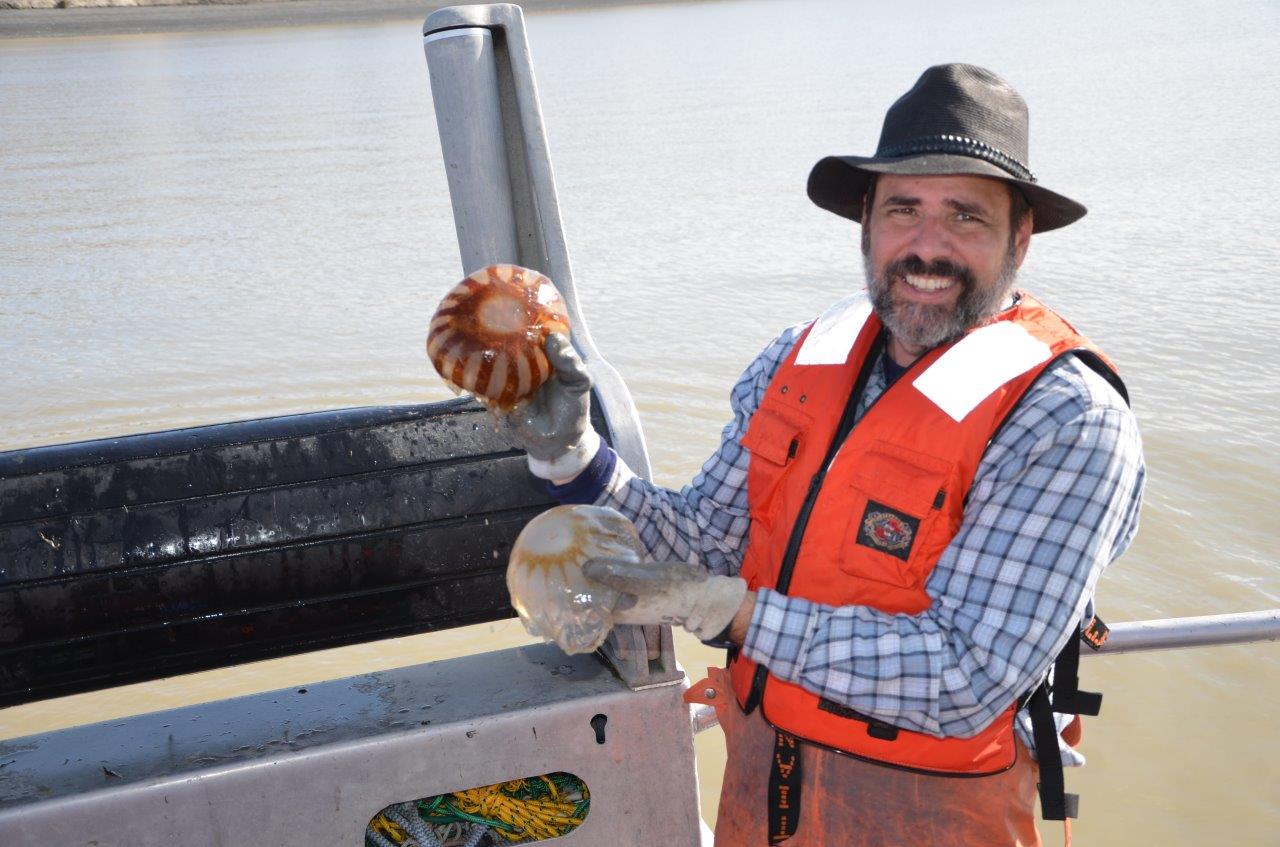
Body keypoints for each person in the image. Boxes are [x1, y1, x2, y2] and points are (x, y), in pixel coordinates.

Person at [504, 64, 1145, 846]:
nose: (928, 248)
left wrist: (726, 610)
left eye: (966, 217)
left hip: (928, 816)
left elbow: (966, 677)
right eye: (904, 209)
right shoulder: (799, 357)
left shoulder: (1068, 420)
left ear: (1020, 238)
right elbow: (705, 540)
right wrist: (575, 457)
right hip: (760, 789)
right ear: (866, 222)